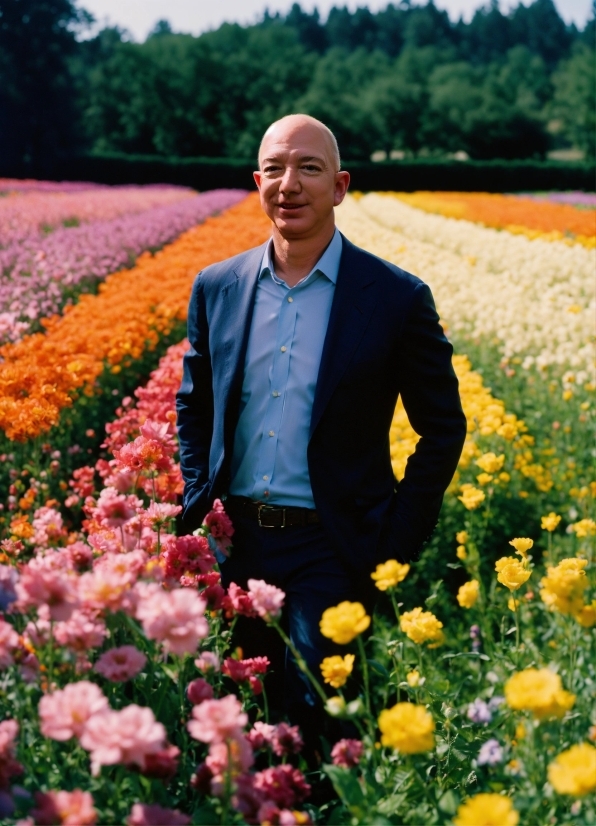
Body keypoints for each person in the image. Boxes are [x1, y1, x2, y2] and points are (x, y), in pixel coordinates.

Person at [176, 114, 467, 744]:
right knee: (234, 716)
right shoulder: (218, 287)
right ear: (257, 182)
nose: (290, 184)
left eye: (309, 168)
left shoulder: (395, 297)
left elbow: (442, 429)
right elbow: (194, 404)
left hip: (332, 547)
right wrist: (198, 500)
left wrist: (394, 539)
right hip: (236, 542)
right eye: (275, 168)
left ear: (339, 186)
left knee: (315, 715)